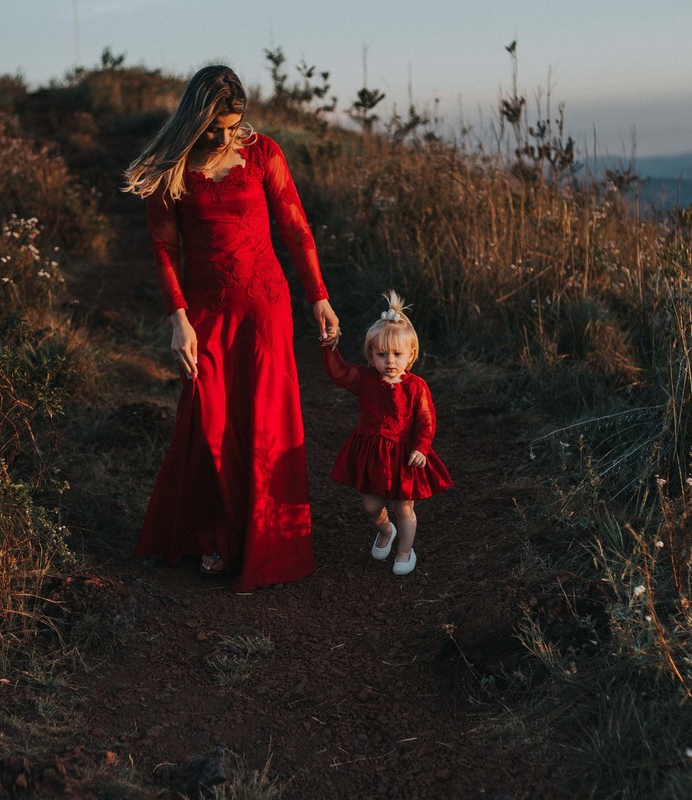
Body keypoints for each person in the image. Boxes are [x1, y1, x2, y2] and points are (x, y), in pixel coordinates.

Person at [123, 65, 339, 592]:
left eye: (233, 126)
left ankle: (263, 541)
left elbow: (294, 225)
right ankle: (215, 532)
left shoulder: (263, 152)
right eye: (214, 128)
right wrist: (178, 319)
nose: (224, 137)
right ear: (194, 118)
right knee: (210, 421)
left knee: (266, 421)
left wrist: (319, 298)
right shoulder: (169, 167)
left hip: (266, 307)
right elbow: (164, 250)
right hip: (206, 312)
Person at [321, 291, 452, 575]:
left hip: (402, 455)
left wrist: (421, 448)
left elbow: (426, 420)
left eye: (397, 354)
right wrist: (330, 347)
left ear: (411, 355)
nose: (389, 361)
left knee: (403, 506)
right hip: (370, 452)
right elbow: (339, 374)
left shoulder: (416, 386)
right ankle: (385, 530)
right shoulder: (366, 378)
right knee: (370, 505)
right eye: (382, 355)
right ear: (371, 355)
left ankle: (405, 550)